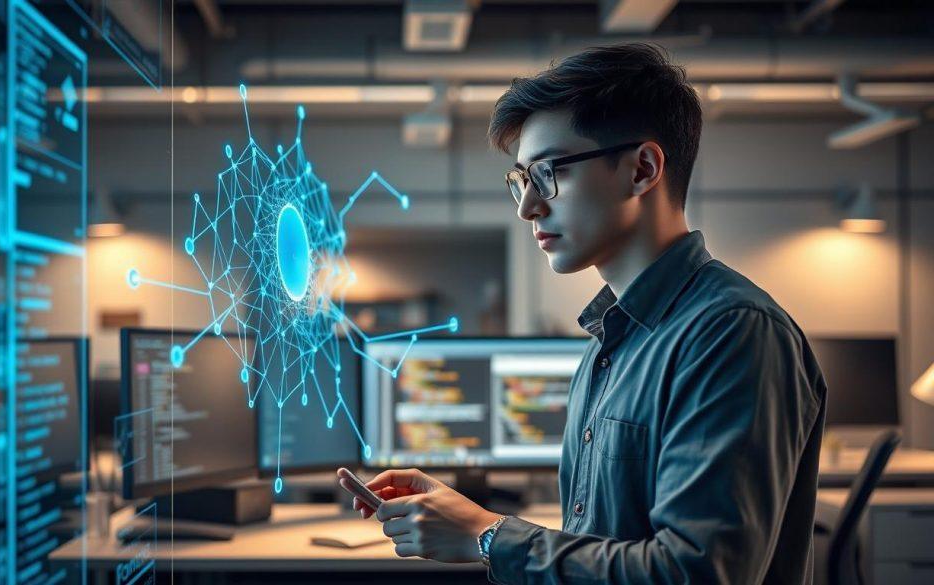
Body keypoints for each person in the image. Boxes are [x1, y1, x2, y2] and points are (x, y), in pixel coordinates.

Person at [339, 43, 827, 584]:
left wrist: (488, 534)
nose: (528, 207)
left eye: (549, 173)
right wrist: (469, 520)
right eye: (521, 180)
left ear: (643, 169)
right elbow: (606, 544)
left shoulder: (731, 332)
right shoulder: (606, 344)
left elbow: (696, 573)